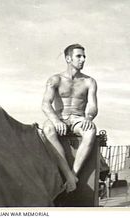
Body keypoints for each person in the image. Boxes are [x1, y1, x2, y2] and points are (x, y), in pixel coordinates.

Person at [41, 43, 98, 193]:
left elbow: (92, 105)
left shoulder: (89, 82)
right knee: (47, 128)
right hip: (60, 116)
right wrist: (55, 121)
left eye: (84, 56)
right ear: (68, 58)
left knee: (91, 131)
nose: (83, 59)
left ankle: (73, 175)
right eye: (79, 56)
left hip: (79, 119)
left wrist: (89, 118)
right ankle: (68, 174)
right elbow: (46, 104)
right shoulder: (55, 79)